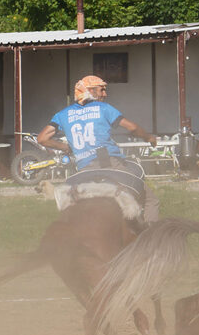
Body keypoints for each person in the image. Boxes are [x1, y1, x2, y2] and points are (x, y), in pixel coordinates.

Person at [37, 74, 161, 223]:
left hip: (83, 168)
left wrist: (65, 148)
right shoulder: (103, 108)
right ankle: (149, 238)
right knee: (150, 200)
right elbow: (133, 128)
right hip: (111, 163)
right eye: (101, 90)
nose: (105, 94)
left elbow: (42, 139)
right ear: (90, 91)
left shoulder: (62, 114)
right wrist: (149, 138)